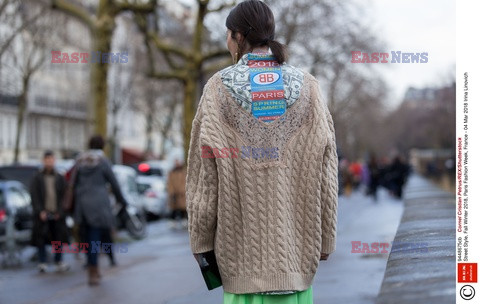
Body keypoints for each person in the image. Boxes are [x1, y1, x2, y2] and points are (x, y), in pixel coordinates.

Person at [186, 1, 338, 303]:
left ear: (238, 36)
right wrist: (327, 236)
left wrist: (201, 240)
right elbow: (327, 171)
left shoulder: (217, 89)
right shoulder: (309, 88)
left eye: (228, 35)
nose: (227, 42)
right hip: (297, 262)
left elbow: (205, 176)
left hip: (240, 268)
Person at [71, 135, 127, 286]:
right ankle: (93, 272)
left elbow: (72, 183)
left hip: (82, 206)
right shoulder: (103, 162)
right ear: (102, 146)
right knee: (95, 238)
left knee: (87, 239)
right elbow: (114, 183)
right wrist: (122, 200)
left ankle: (92, 269)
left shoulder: (79, 161)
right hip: (99, 205)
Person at [30, 150, 70, 273]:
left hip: (57, 213)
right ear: (43, 161)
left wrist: (60, 211)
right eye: (47, 160)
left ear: (54, 160)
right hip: (43, 213)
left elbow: (65, 195)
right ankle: (42, 262)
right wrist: (40, 211)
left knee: (58, 237)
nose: (49, 162)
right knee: (41, 237)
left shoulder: (59, 177)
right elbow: (34, 195)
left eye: (51, 159)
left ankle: (58, 261)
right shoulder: (37, 177)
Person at [167, 159, 187, 229]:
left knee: (183, 209)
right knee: (174, 209)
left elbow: (185, 181)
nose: (177, 164)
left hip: (182, 194)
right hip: (174, 194)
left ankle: (184, 221)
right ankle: (173, 222)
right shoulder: (171, 172)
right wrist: (172, 192)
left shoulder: (184, 171)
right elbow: (169, 183)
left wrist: (183, 190)